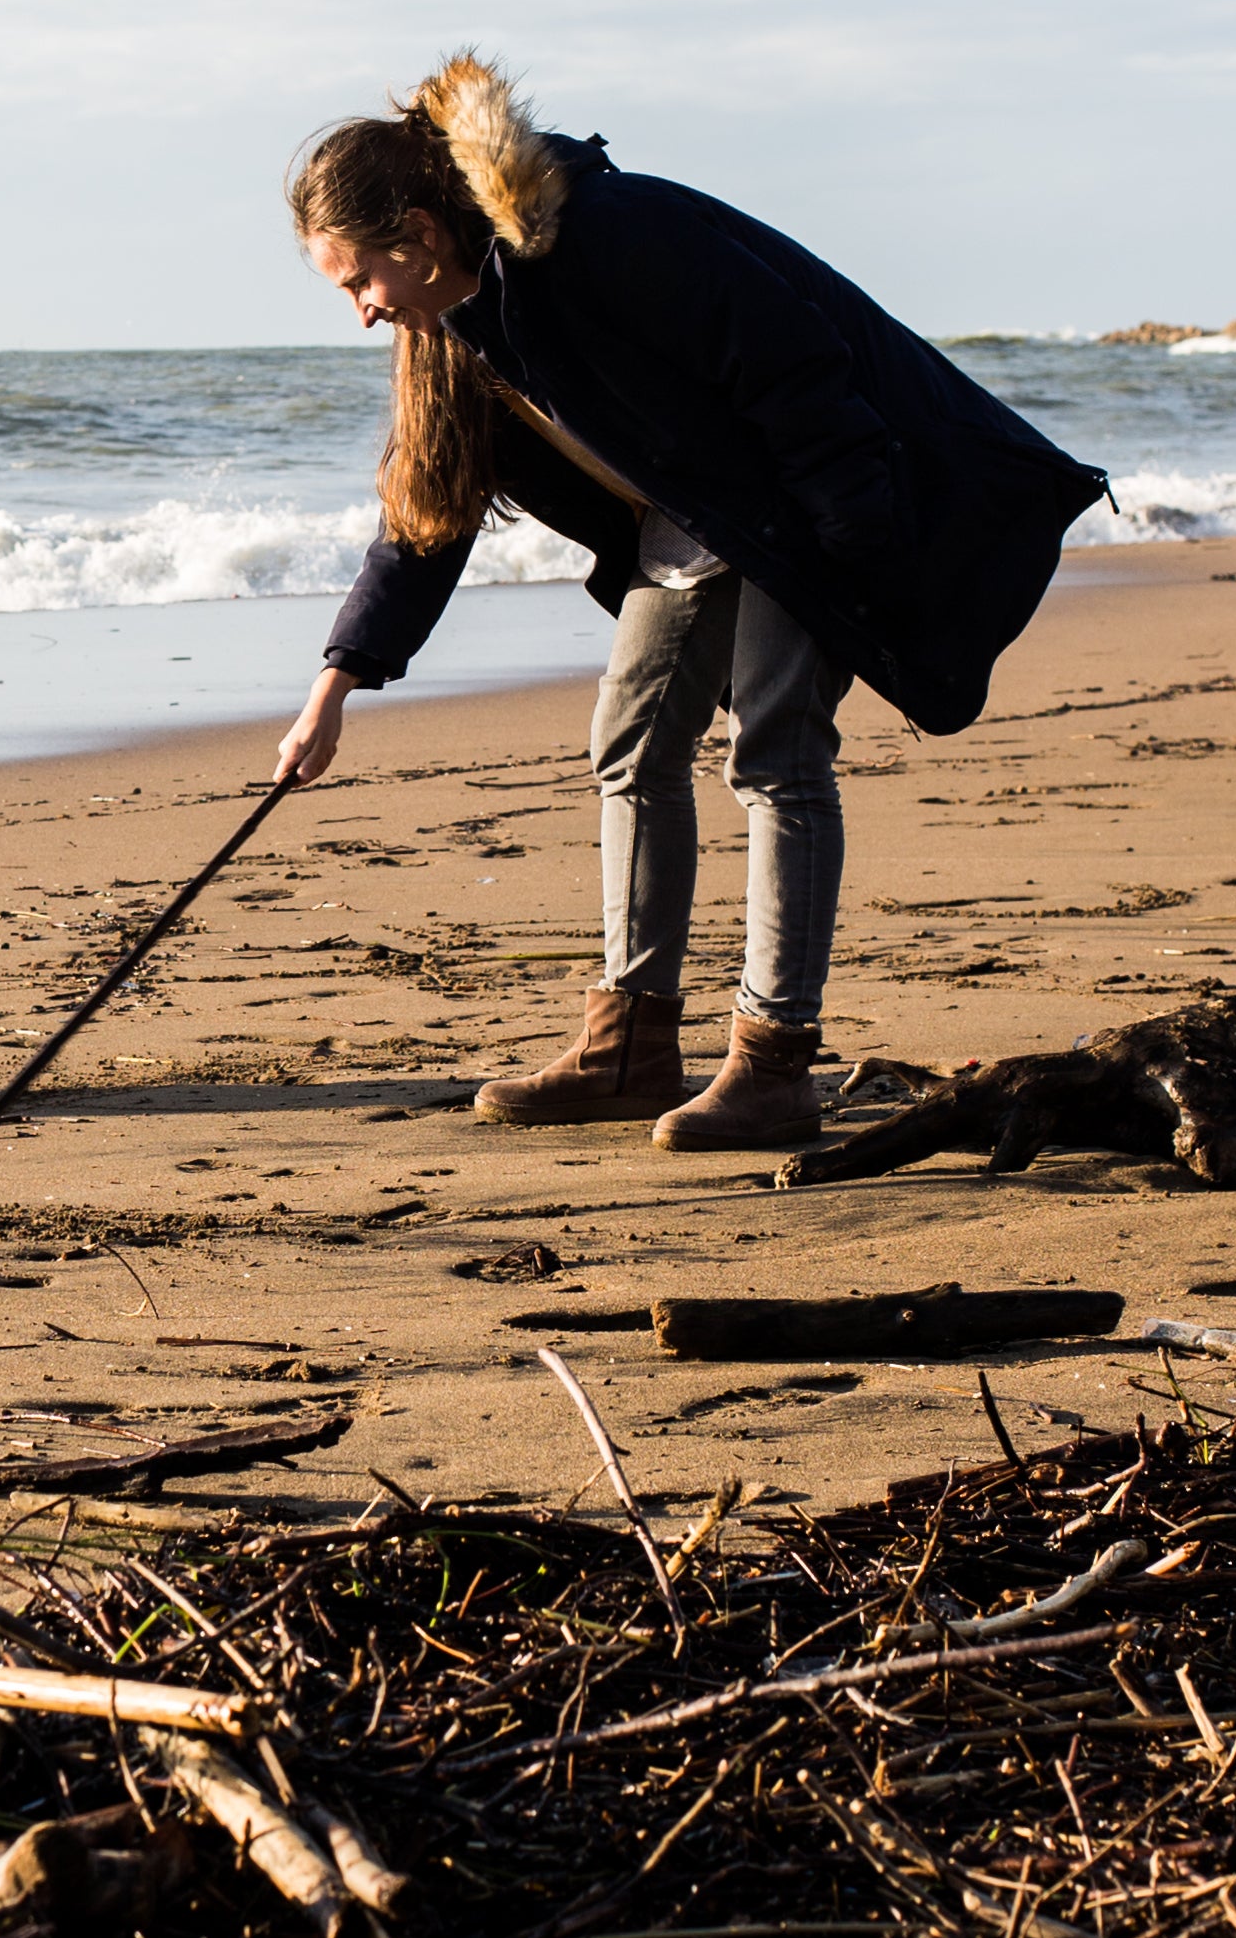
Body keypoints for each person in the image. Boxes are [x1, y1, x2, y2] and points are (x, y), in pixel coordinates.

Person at [276, 56, 1107, 1148]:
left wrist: (854, 551)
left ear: (422, 235)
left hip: (812, 501)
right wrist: (335, 686)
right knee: (628, 743)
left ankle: (772, 1063)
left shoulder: (608, 236)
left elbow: (797, 371)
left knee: (774, 754)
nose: (362, 313)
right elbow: (422, 525)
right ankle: (630, 1044)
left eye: (357, 281)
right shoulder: (459, 331)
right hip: (701, 519)